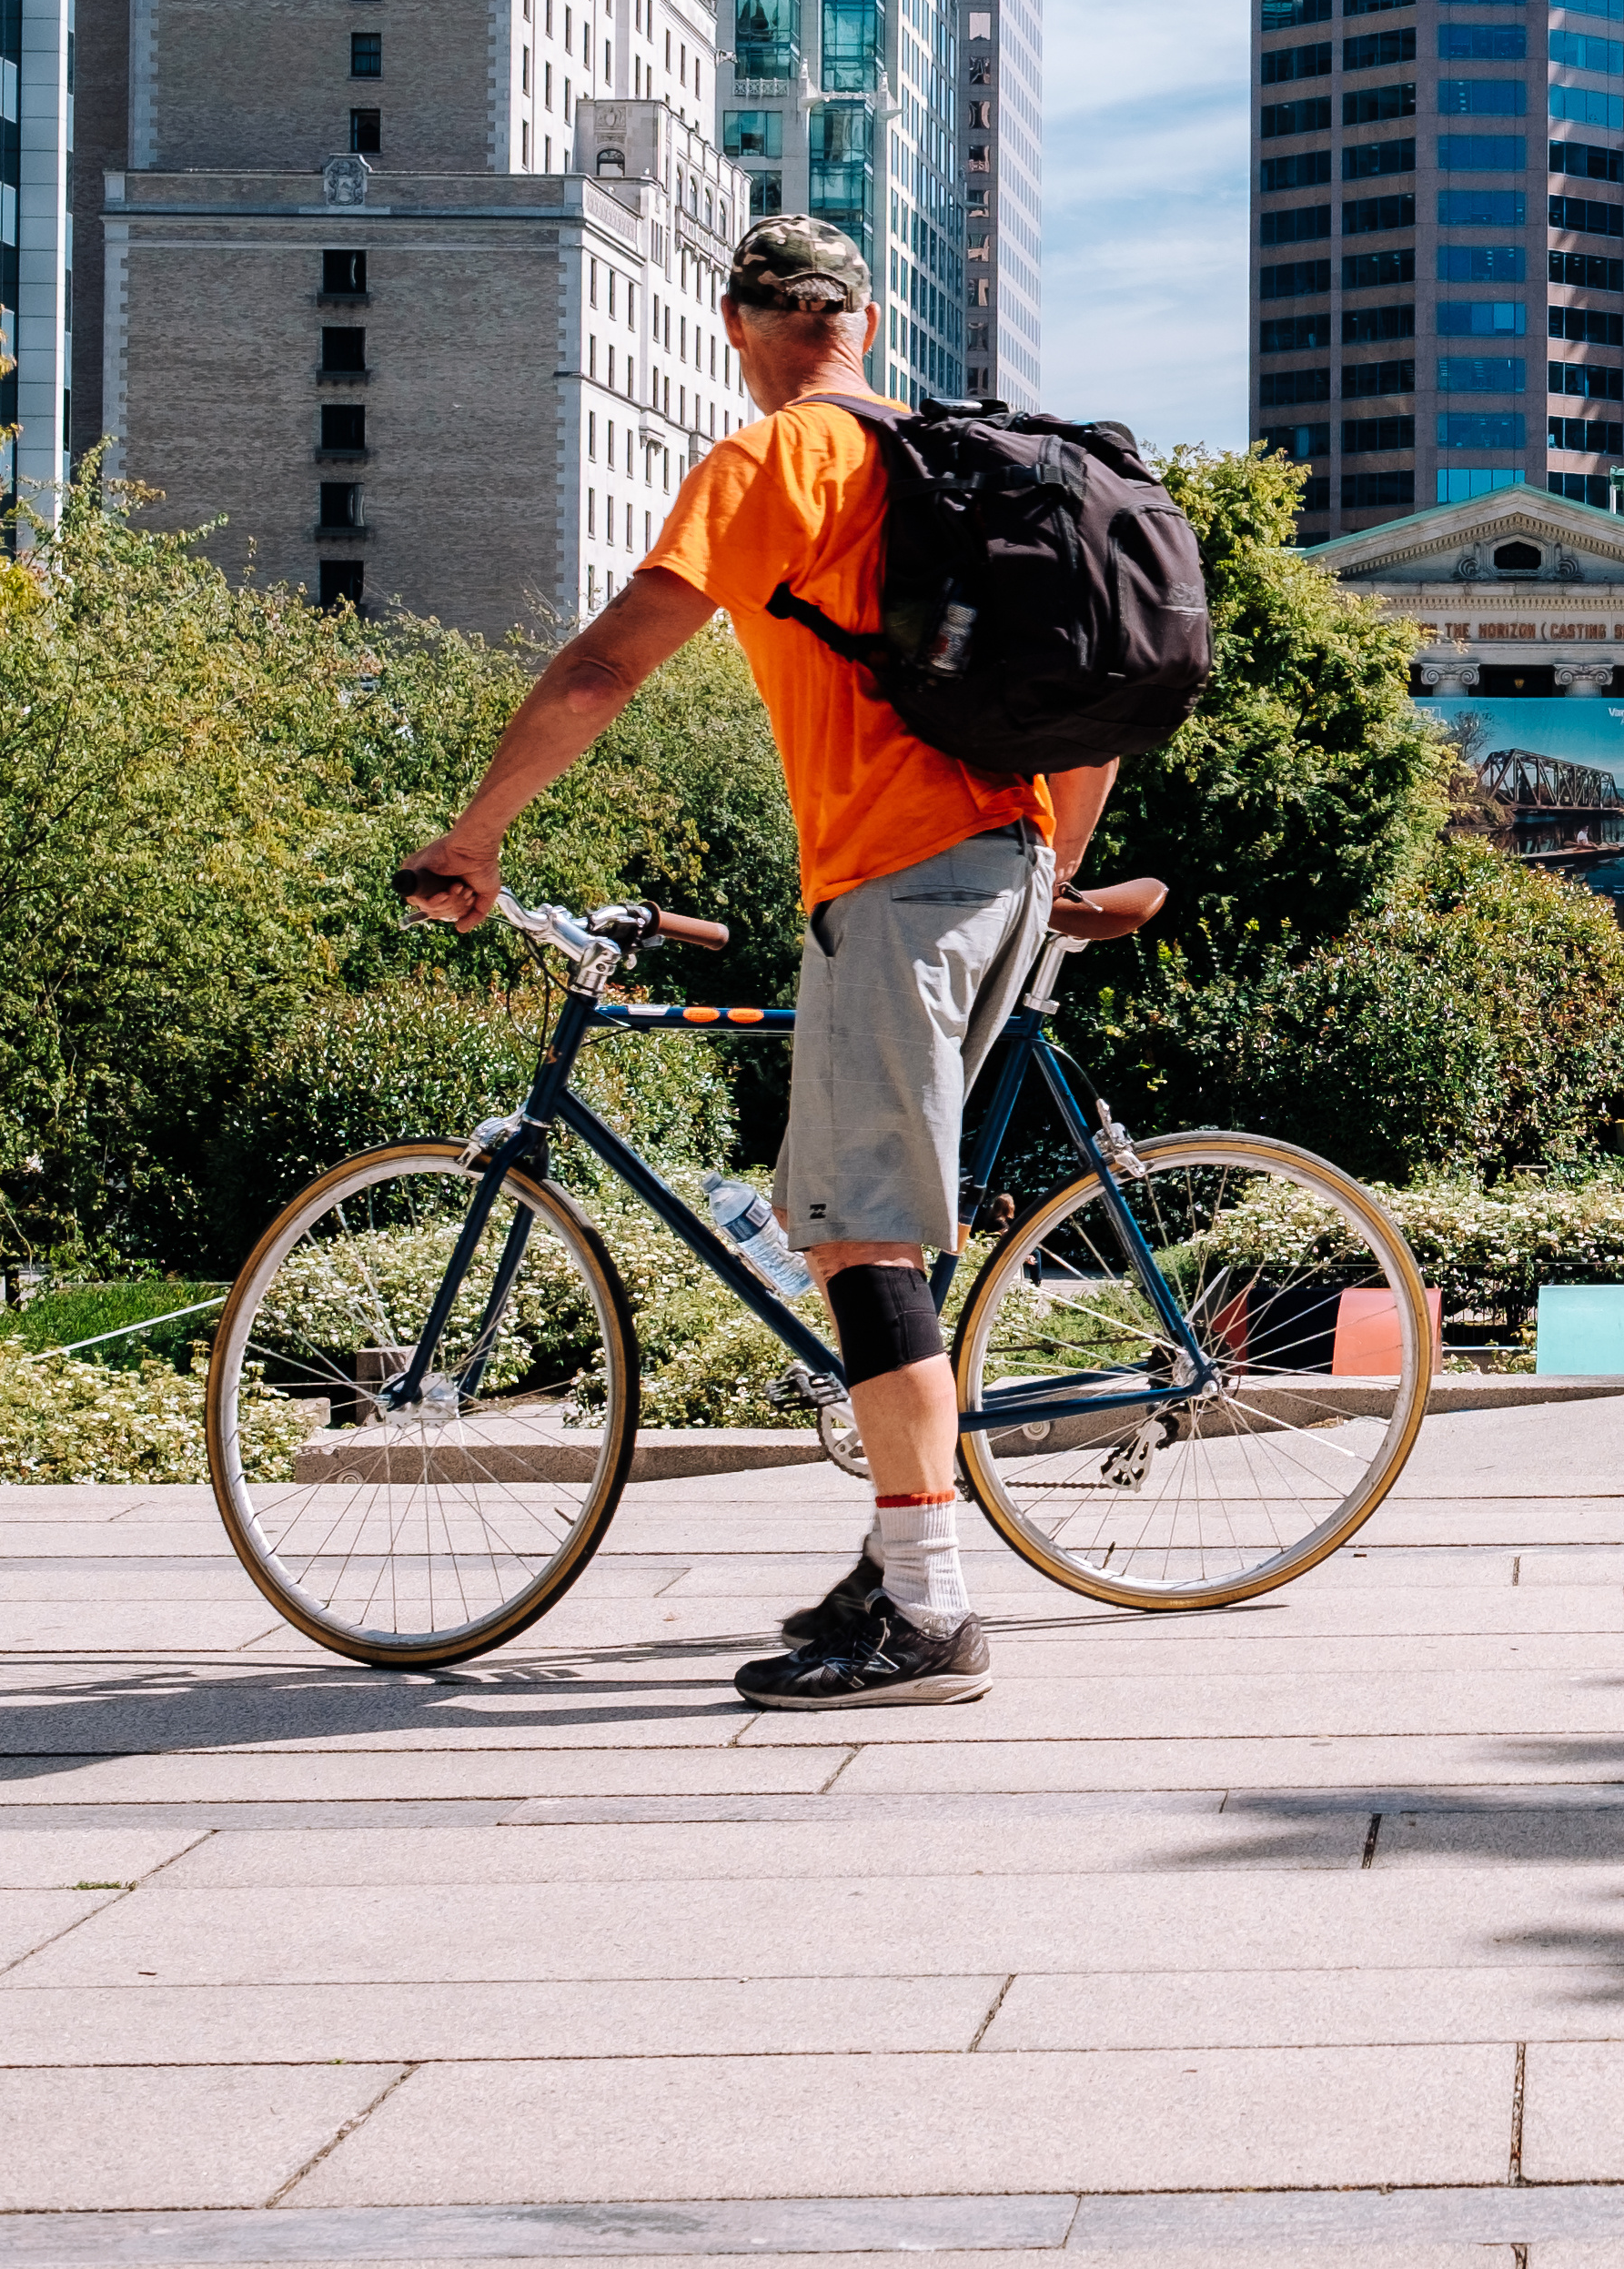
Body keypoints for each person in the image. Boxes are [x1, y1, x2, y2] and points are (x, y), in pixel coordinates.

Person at [396, 216, 1156, 1709]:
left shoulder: (774, 465)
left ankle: (930, 1611)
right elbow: (1099, 703)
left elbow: (609, 662)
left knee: (859, 1237)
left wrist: (475, 834)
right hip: (998, 867)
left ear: (741, 325)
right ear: (860, 322)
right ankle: (894, 1560)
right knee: (885, 1230)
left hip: (898, 879)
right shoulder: (953, 465)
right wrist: (1046, 866)